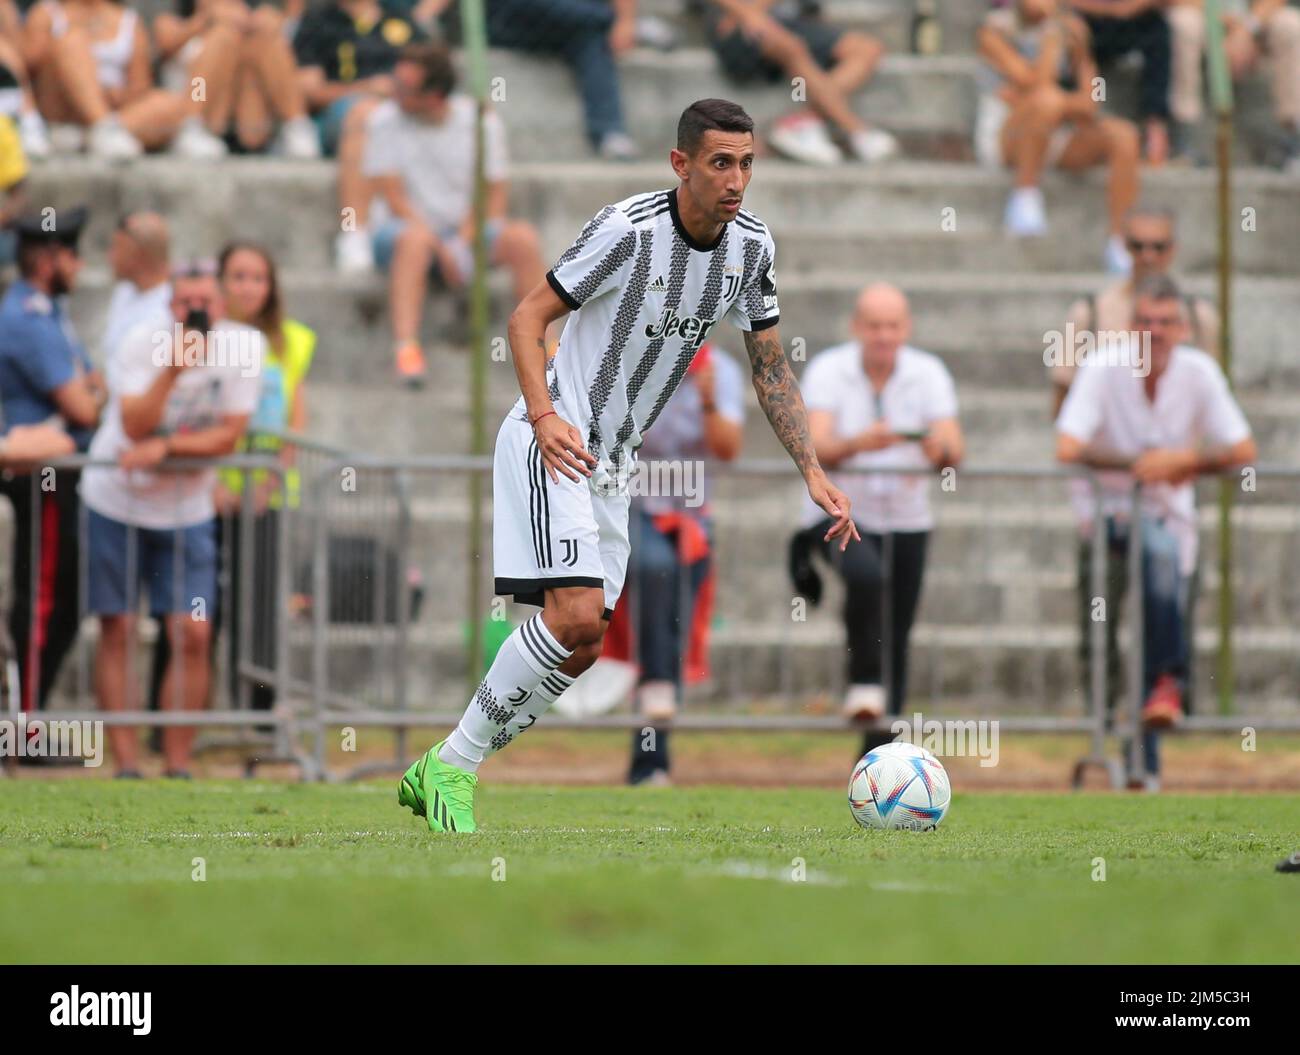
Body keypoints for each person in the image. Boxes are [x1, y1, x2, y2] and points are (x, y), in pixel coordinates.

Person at [397, 98, 860, 833]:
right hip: (557, 439)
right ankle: (453, 766)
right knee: (575, 615)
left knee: (583, 647)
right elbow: (526, 318)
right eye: (720, 163)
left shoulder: (752, 249)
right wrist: (546, 416)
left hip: (614, 463)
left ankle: (446, 763)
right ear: (681, 164)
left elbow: (769, 366)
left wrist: (812, 469)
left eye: (746, 163)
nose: (736, 179)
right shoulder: (627, 229)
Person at [1055, 274, 1256, 791]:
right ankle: (1118, 734)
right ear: (1131, 325)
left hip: (1168, 524)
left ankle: (1147, 752)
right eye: (1146, 321)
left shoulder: (1200, 372)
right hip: (1104, 521)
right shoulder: (1103, 367)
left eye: (1166, 322)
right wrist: (1143, 464)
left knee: (1159, 595)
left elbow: (1242, 449)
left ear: (1184, 328)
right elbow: (1068, 445)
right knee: (1100, 639)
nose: (1156, 332)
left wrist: (1184, 460)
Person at [81, 262, 260, 778]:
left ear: (221, 306)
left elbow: (227, 437)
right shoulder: (141, 343)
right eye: (185, 304)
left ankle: (177, 765)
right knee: (117, 626)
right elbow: (133, 425)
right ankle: (127, 765)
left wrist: (166, 447)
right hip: (116, 500)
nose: (195, 313)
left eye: (204, 303)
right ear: (169, 307)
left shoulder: (245, 347)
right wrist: (174, 371)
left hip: (187, 510)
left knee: (193, 632)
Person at [792, 283, 962, 755]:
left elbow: (954, 448)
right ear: (857, 327)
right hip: (839, 513)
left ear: (905, 328)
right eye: (875, 325)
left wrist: (936, 449)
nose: (884, 336)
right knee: (867, 578)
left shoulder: (928, 372)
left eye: (892, 326)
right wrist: (859, 444)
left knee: (899, 628)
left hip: (907, 519)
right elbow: (814, 446)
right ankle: (863, 682)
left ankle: (881, 751)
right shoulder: (829, 369)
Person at [150, 242, 315, 716]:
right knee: (193, 609)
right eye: (238, 276)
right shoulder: (200, 338)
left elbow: (294, 421)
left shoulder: (293, 340)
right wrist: (215, 483)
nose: (248, 287)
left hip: (265, 497)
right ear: (221, 284)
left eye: (257, 277)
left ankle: (259, 722)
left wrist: (268, 482)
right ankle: (172, 719)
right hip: (205, 495)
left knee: (260, 607)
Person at [361, 41, 548, 386]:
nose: (393, 91)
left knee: (522, 238)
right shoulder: (383, 119)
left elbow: (493, 196)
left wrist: (462, 243)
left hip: (466, 234)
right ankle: (407, 348)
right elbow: (393, 197)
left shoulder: (480, 123)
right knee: (415, 240)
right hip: (403, 234)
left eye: (405, 87)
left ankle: (544, 350)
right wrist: (440, 246)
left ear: (434, 96)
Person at [609, 341, 745, 785]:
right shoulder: (636, 358)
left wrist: (706, 399)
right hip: (631, 504)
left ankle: (650, 764)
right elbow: (613, 436)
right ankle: (655, 720)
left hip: (692, 517)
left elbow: (728, 448)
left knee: (671, 632)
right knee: (654, 569)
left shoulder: (720, 371)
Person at [0, 206, 103, 713]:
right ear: (47, 260)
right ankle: (25, 724)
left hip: (54, 473)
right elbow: (85, 403)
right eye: (71, 255)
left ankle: (27, 719)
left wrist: (91, 394)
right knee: (44, 596)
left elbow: (91, 387)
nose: (79, 267)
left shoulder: (47, 313)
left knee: (60, 592)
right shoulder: (27, 318)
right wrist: (92, 397)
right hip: (40, 477)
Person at [977, 0, 1142, 273]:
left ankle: (1119, 243)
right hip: (1006, 137)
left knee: (1124, 135)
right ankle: (1024, 196)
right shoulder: (993, 32)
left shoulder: (1072, 33)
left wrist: (1080, 54)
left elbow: (1092, 102)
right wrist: (1052, 44)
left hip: (1054, 132)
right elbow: (1038, 87)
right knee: (1047, 102)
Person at [292, 0, 426, 270]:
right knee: (366, 115)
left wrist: (400, 93)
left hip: (403, 117)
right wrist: (366, 89)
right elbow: (310, 93)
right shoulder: (318, 21)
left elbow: (431, 75)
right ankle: (355, 232)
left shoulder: (401, 19)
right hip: (339, 117)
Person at [1052, 204, 1219, 416]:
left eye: (1158, 247)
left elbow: (1212, 397)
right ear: (1124, 246)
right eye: (1138, 246)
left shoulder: (1199, 317)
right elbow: (1062, 401)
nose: (1148, 257)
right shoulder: (1088, 314)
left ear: (1173, 248)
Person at [21, 0, 228, 159]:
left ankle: (96, 134)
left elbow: (141, 84)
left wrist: (119, 95)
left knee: (173, 104)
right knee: (71, 41)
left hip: (117, 109)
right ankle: (99, 127)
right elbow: (30, 69)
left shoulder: (127, 19)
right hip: (63, 108)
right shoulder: (46, 13)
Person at [703, 0, 898, 164]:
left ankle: (801, 119)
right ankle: (855, 128)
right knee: (790, 45)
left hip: (792, 22)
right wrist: (746, 13)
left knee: (867, 49)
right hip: (738, 24)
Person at [154, 0, 320, 157]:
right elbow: (167, 43)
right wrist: (207, 19)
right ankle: (190, 124)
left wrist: (260, 24)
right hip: (198, 102)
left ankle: (296, 123)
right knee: (222, 38)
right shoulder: (171, 21)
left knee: (265, 39)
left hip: (245, 121)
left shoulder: (240, 26)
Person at [1166, 0, 1300, 170]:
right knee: (1182, 22)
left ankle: (1293, 135)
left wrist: (1246, 29)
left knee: (1292, 24)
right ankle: (1184, 136)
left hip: (1254, 22)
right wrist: (1228, 22)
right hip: (1201, 16)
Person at [1067, 0, 1174, 163]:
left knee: (1158, 34)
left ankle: (1155, 123)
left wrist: (1129, 7)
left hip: (1135, 20)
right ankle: (1094, 110)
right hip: (1090, 22)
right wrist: (1109, 9)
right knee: (1083, 43)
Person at [102, 211, 172, 380]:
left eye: (116, 248)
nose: (109, 257)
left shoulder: (170, 311)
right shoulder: (124, 292)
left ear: (136, 254)